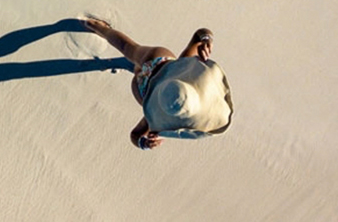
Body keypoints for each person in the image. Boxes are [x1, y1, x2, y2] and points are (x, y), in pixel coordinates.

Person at [82, 17, 233, 149]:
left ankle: (98, 26)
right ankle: (134, 66)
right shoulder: (156, 119)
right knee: (134, 64)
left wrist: (206, 39)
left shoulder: (185, 65)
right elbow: (135, 135)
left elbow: (200, 33)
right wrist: (143, 144)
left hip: (158, 58)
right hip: (141, 88)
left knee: (128, 48)